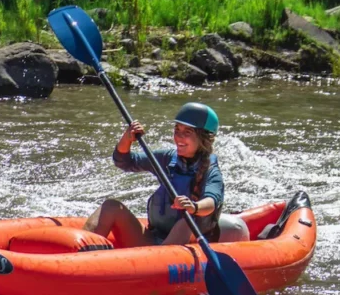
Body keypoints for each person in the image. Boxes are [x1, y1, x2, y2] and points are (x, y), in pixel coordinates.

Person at [85, 102, 250, 247]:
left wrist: (193, 207)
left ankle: (157, 267)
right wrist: (127, 139)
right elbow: (125, 162)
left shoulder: (210, 169)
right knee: (111, 206)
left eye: (187, 132)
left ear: (203, 138)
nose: (179, 136)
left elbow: (211, 202)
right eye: (177, 130)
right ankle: (80, 255)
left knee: (186, 222)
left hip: (187, 245)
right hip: (154, 237)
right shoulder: (167, 158)